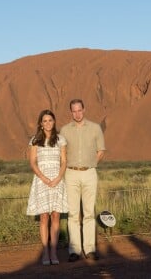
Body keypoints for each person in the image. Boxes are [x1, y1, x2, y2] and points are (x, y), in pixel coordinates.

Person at [60, 99, 105, 262]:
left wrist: (92, 164)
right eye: (74, 111)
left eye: (79, 110)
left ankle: (90, 249)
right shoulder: (64, 130)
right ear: (70, 112)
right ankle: (74, 250)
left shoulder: (95, 128)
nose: (77, 113)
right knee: (72, 213)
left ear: (84, 110)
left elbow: (101, 150)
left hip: (89, 173)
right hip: (71, 173)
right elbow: (62, 153)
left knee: (88, 213)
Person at [26, 109, 68, 266]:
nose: (48, 123)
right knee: (44, 216)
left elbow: (64, 161)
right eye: (45, 121)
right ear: (40, 124)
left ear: (54, 122)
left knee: (56, 216)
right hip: (41, 180)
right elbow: (32, 162)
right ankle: (45, 252)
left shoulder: (61, 140)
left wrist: (58, 178)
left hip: (57, 179)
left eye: (50, 120)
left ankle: (53, 251)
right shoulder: (35, 140)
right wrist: (43, 178)